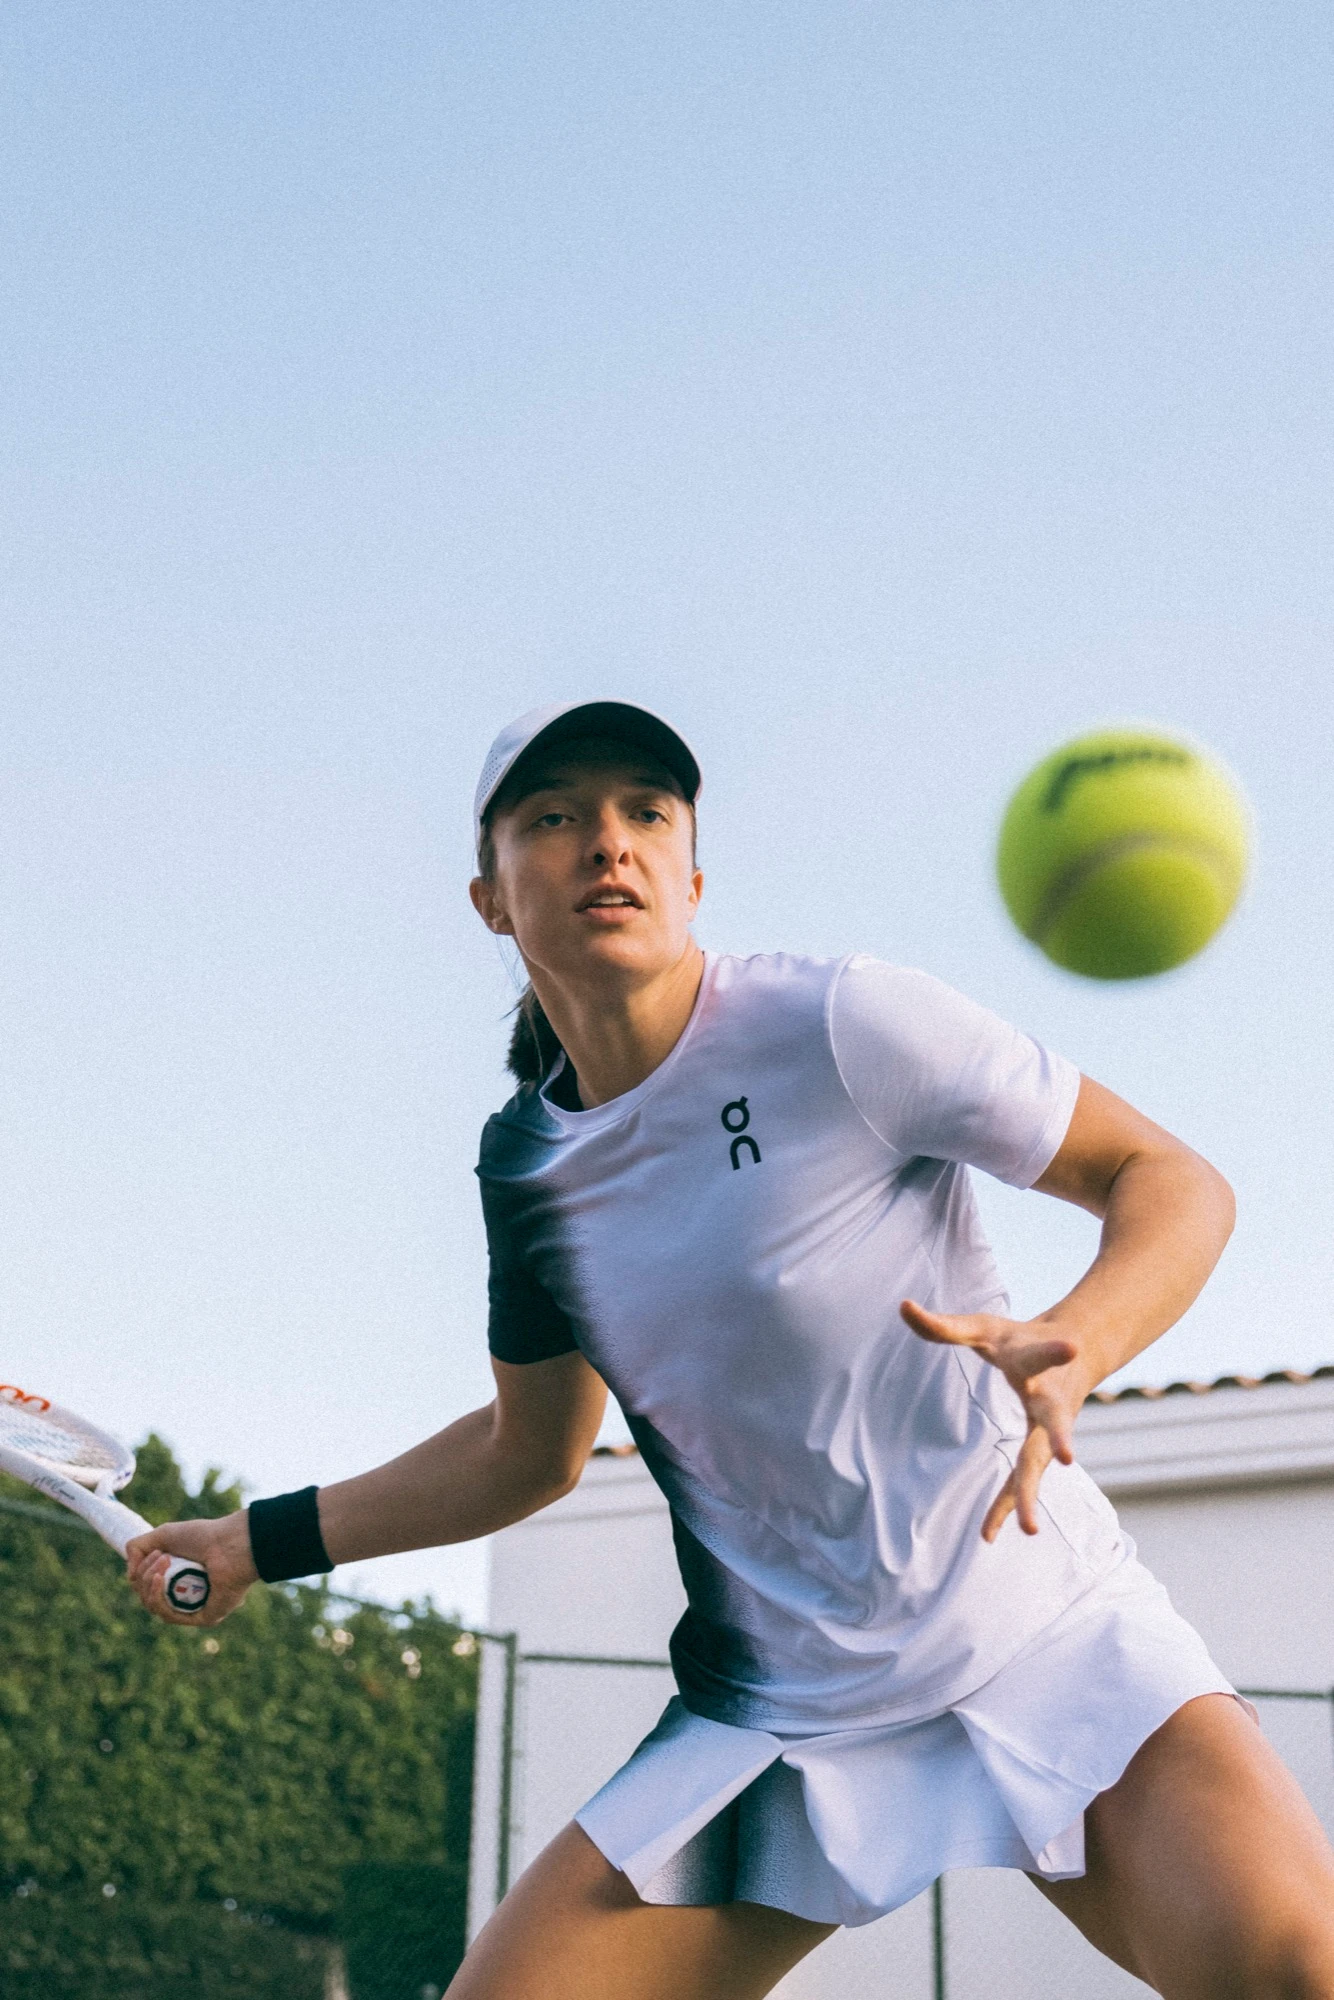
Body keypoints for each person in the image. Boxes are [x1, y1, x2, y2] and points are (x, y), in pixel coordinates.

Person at [129, 700, 1334, 2000]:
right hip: (776, 1718)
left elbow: (1168, 1177)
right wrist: (253, 1541)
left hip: (1046, 1629)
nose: (608, 842)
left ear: (692, 879)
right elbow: (526, 1455)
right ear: (490, 899)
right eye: (555, 816)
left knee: (1297, 1971)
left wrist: (1080, 1337)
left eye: (645, 812)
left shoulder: (844, 1021)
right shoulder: (525, 1169)